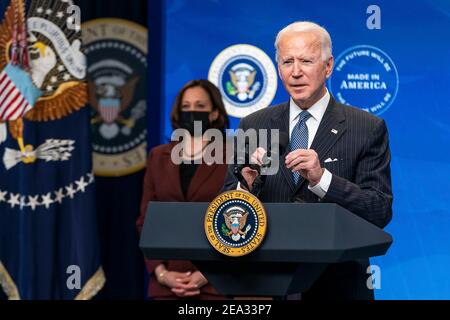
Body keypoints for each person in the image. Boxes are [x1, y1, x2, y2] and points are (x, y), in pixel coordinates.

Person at [223, 21, 393, 300]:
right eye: (287, 61)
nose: (296, 71)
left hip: (337, 286)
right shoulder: (254, 125)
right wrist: (245, 188)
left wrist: (321, 180)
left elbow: (379, 210)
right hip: (266, 286)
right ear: (278, 68)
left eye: (306, 61)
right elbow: (226, 211)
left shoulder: (366, 127)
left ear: (328, 66)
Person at [137, 79, 229, 300]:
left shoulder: (233, 155)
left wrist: (208, 272)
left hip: (216, 285)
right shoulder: (158, 156)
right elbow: (145, 222)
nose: (192, 112)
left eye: (200, 106)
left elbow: (240, 216)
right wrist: (161, 273)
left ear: (215, 113)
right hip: (167, 285)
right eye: (186, 107)